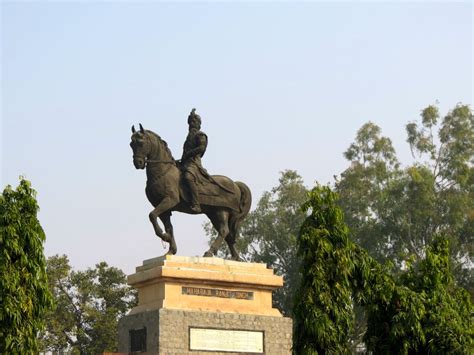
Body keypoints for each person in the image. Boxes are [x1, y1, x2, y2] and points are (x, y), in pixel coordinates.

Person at [181, 108, 208, 213]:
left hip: (194, 163)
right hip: (185, 163)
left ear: (198, 124)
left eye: (194, 122)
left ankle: (196, 204)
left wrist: (189, 154)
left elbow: (201, 148)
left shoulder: (200, 135)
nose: (192, 124)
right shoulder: (188, 137)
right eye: (190, 122)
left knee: (188, 177)